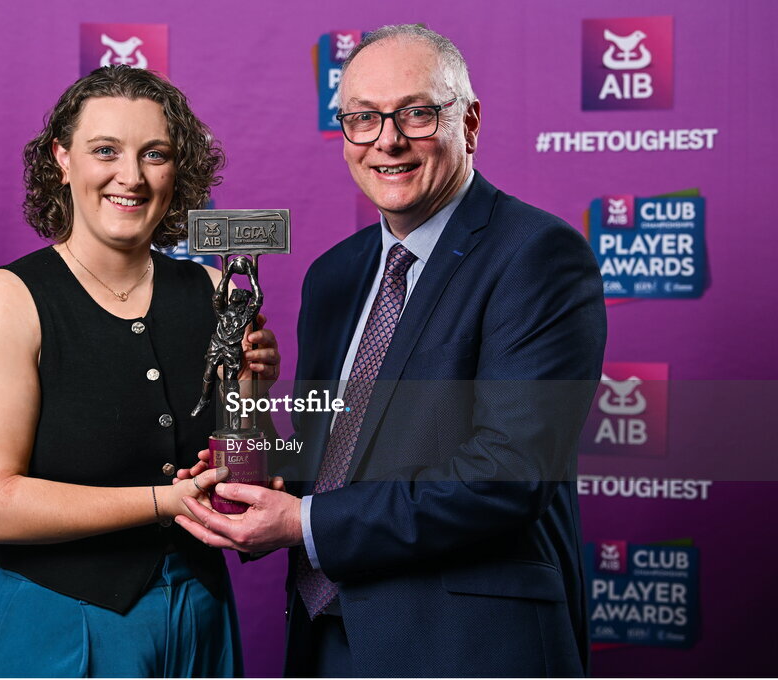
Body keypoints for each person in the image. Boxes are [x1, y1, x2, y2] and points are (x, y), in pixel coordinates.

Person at [174, 25, 607, 677]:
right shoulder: (334, 276)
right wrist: (249, 481)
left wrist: (303, 523)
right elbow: (335, 465)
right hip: (329, 642)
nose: (388, 140)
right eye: (363, 118)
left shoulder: (537, 255)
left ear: (471, 120)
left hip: (469, 648)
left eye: (417, 113)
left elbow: (507, 475)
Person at [0, 65, 278, 678]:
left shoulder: (212, 290)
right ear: (61, 158)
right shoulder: (7, 301)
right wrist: (164, 501)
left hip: (200, 610)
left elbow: (246, 464)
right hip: (60, 620)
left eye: (155, 154)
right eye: (105, 150)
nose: (132, 176)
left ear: (180, 170)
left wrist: (255, 386)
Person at [192, 255, 263, 428]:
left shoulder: (245, 316)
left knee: (232, 383)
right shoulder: (223, 312)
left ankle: (235, 415)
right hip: (217, 345)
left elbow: (258, 298)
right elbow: (217, 297)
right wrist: (228, 272)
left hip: (233, 350)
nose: (235, 295)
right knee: (208, 374)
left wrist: (251, 274)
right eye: (234, 295)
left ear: (243, 302)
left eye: (239, 295)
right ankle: (204, 400)